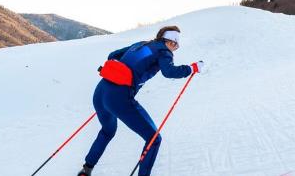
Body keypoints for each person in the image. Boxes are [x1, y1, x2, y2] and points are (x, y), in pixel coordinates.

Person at [78, 26, 203, 176]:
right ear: (170, 41)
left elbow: (112, 55)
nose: (176, 47)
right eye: (176, 43)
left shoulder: (141, 44)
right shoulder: (164, 51)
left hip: (100, 92)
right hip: (119, 98)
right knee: (154, 139)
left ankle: (86, 169)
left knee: (107, 130)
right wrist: (192, 68)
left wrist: (121, 74)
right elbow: (169, 72)